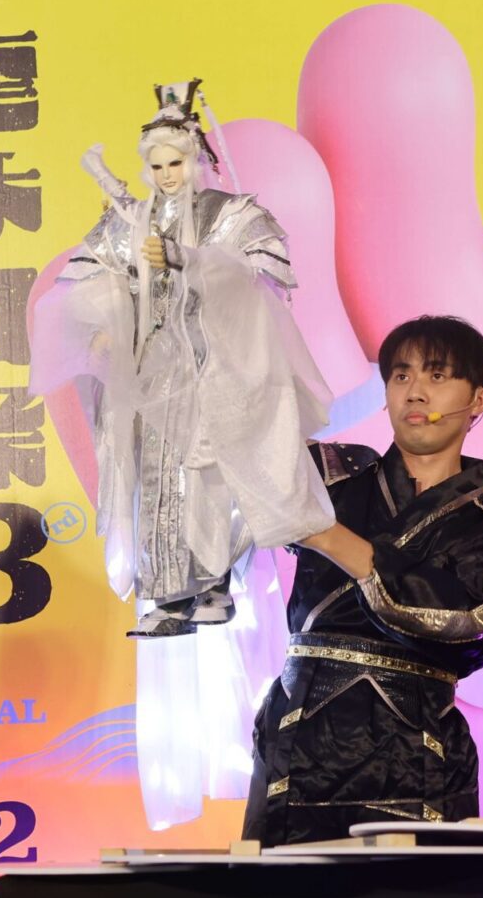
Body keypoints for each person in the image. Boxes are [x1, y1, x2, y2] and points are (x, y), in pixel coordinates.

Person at [31, 79, 335, 638]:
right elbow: (84, 275)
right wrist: (101, 324)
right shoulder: (131, 221)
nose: (168, 174)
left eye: (177, 162)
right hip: (149, 376)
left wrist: (189, 260)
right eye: (158, 166)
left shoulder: (230, 215)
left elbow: (262, 273)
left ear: (196, 160)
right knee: (155, 482)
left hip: (213, 371)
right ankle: (168, 597)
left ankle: (214, 587)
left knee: (212, 482)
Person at [243, 315, 483, 845]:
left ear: (478, 399)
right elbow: (237, 448)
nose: (415, 391)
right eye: (401, 376)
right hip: (297, 745)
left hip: (418, 756)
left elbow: (463, 615)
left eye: (437, 375)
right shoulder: (328, 476)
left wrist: (325, 535)